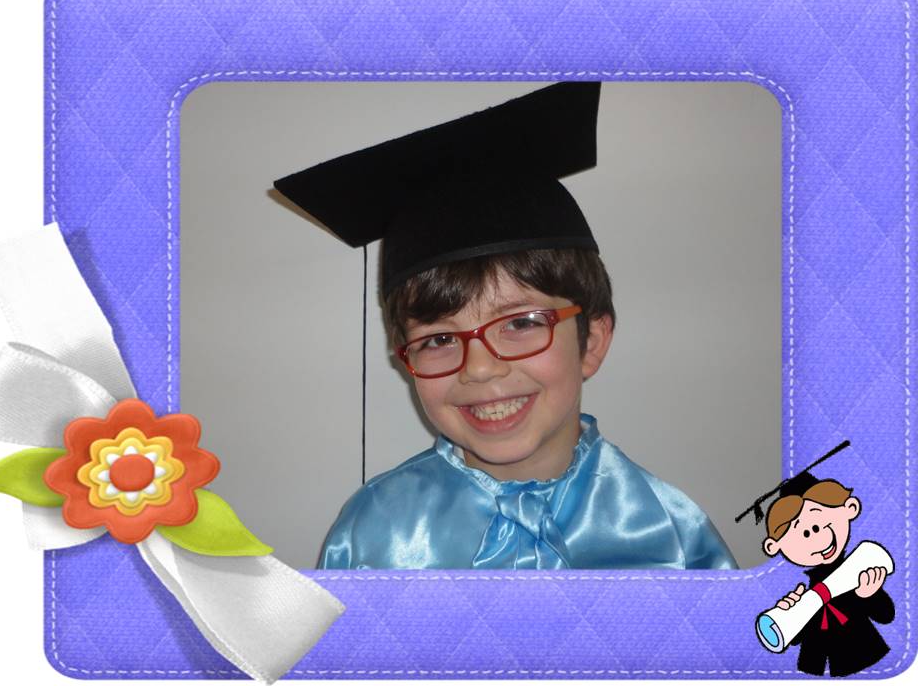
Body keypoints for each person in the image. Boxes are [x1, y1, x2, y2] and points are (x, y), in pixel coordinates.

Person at [273, 82, 737, 570]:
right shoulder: (372, 539)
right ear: (404, 358)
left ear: (592, 342)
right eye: (439, 339)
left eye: (519, 323)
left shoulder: (673, 539)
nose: (479, 368)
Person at [759, 469, 895, 676]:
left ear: (850, 508)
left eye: (818, 525)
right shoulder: (809, 592)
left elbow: (886, 615)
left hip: (861, 658)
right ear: (774, 546)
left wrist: (868, 595)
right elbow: (795, 637)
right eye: (804, 533)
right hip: (816, 669)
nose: (817, 537)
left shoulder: (853, 572)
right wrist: (787, 613)